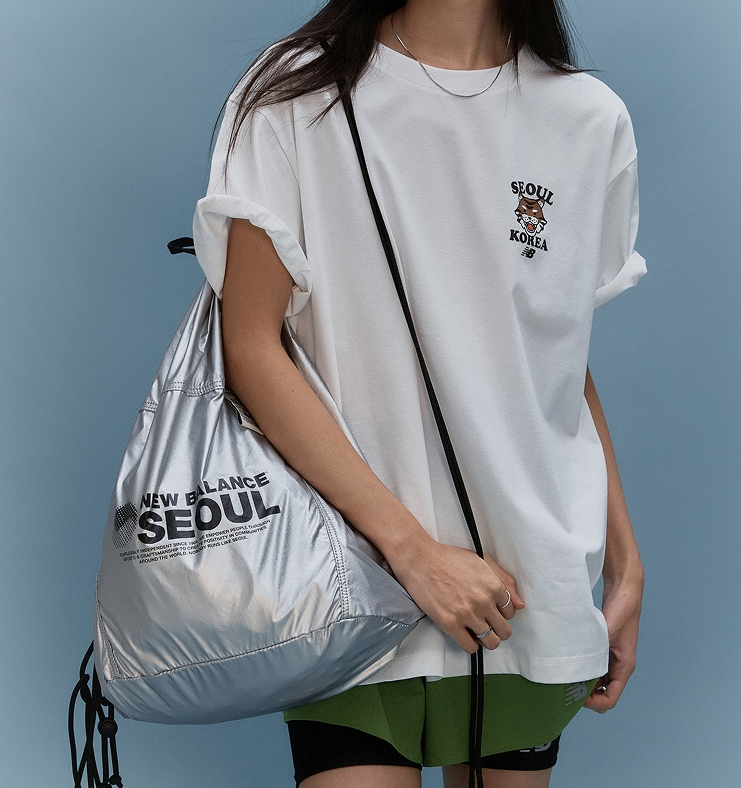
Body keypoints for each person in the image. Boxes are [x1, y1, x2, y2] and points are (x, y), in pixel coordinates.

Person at [192, 1, 646, 785]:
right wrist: (412, 552)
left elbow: (552, 359)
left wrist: (625, 564)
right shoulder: (293, 96)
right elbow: (251, 348)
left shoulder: (587, 117)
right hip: (354, 577)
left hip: (530, 584)